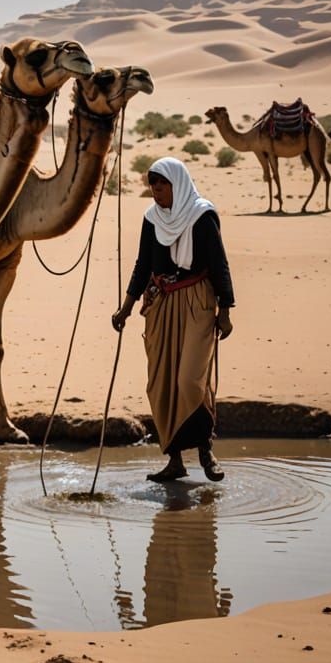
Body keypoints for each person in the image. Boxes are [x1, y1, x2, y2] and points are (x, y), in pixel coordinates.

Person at [111, 157, 234, 482]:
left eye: (162, 184)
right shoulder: (152, 219)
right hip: (161, 304)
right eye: (153, 185)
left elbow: (219, 264)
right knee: (161, 384)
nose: (156, 191)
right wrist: (126, 307)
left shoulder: (201, 216)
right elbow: (142, 265)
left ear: (176, 184)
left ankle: (206, 451)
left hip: (197, 301)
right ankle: (175, 461)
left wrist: (225, 310)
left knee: (190, 380)